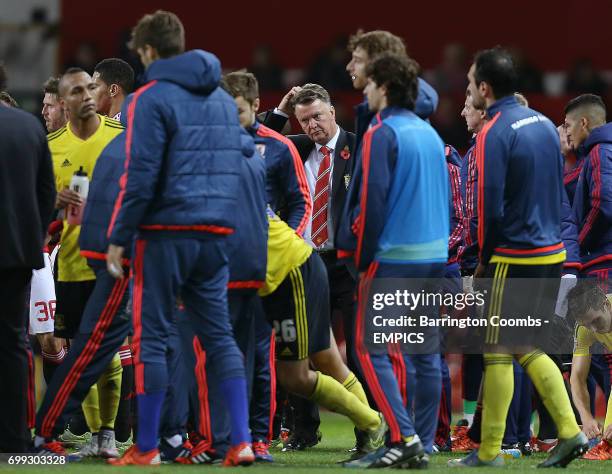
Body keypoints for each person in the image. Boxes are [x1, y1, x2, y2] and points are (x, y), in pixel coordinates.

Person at [105, 10, 253, 466]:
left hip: (164, 233)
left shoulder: (148, 99)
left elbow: (141, 173)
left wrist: (119, 235)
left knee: (151, 336)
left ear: (148, 51)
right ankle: (242, 442)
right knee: (220, 336)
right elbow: (243, 153)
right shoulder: (221, 100)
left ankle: (147, 447)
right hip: (215, 233)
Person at [449, 47, 587, 468]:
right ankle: (569, 432)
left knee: (497, 350)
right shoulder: (544, 123)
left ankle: (490, 452)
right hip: (551, 253)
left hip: (514, 255)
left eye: (471, 82)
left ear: (484, 88)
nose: (469, 89)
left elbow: (487, 209)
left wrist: (482, 264)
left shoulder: (493, 132)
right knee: (525, 344)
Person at [338, 52, 449, 468]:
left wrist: (362, 259)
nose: (364, 91)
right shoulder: (429, 132)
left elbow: (373, 203)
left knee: (369, 348)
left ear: (383, 88)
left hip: (394, 259)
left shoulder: (382, 133)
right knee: (421, 355)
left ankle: (403, 438)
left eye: (369, 85)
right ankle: (418, 439)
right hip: (433, 258)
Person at [43, 67, 125, 459]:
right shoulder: (51, 147)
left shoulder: (122, 137)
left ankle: (108, 433)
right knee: (78, 350)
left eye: (91, 86)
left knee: (106, 352)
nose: (87, 94)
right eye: (77, 90)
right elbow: (40, 209)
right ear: (64, 102)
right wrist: (53, 203)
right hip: (72, 262)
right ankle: (95, 437)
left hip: (114, 264)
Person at [0, 103, 55, 453]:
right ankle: (16, 438)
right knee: (13, 344)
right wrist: (30, 239)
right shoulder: (28, 127)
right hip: (16, 254)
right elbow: (46, 192)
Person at [567, 280, 612, 460]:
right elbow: (577, 378)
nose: (594, 329)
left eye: (596, 321)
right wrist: (585, 417)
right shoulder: (584, 329)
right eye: (587, 324)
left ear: (606, 305)